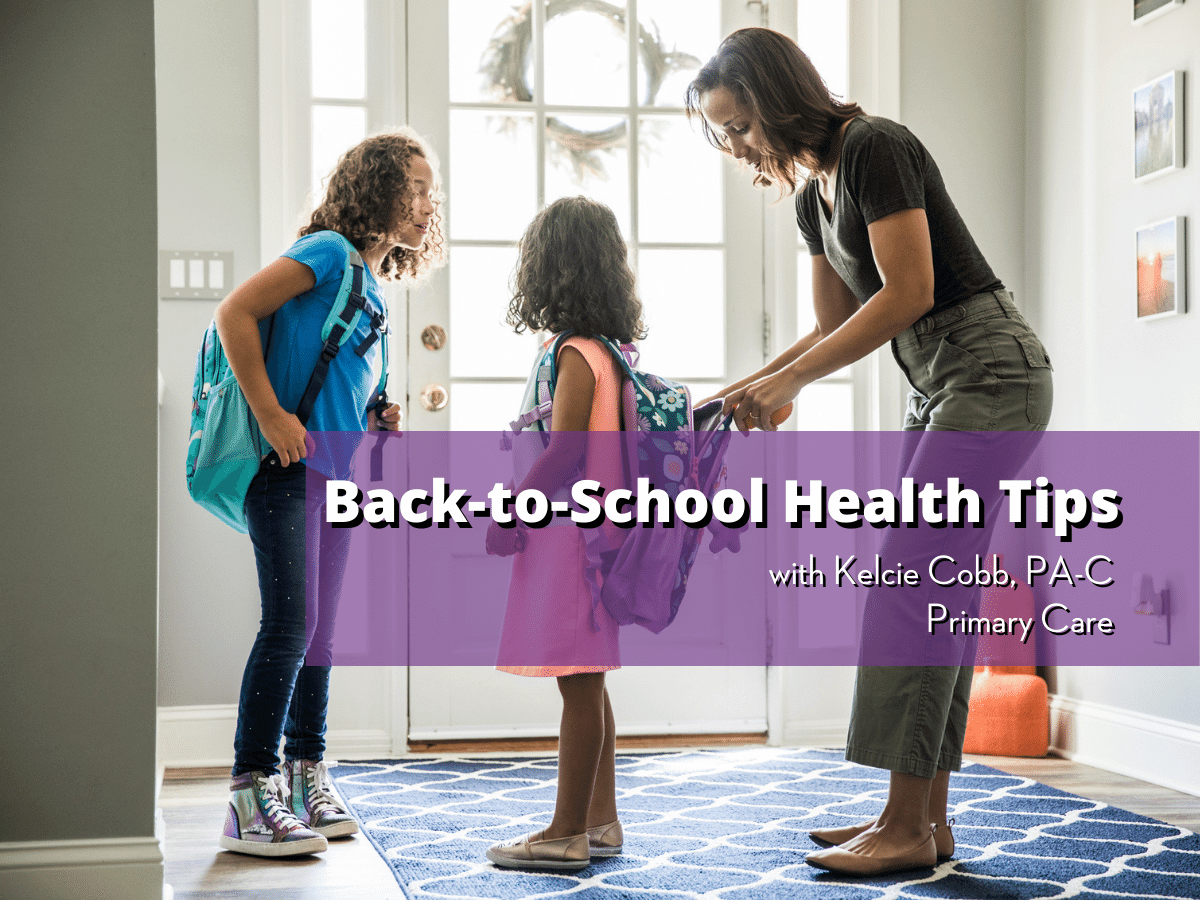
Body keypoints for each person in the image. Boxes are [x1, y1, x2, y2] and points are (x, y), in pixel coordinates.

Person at [687, 28, 1052, 876]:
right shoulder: (817, 192)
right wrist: (739, 391)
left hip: (990, 371)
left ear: (778, 100)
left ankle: (903, 826)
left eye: (741, 125)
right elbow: (828, 328)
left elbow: (911, 291)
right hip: (940, 385)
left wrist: (789, 385)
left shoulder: (876, 147)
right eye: (725, 132)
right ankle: (925, 819)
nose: (739, 147)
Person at [213, 128, 445, 857]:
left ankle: (307, 773)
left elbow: (334, 378)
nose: (425, 205)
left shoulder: (370, 282)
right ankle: (251, 796)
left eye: (430, 192)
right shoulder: (328, 252)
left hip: (337, 477)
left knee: (320, 632)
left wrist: (375, 414)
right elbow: (235, 314)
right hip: (287, 471)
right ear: (376, 186)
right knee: (289, 624)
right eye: (414, 187)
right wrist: (273, 415)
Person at [483, 197, 640, 871]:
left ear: (549, 271)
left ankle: (564, 831)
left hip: (572, 538)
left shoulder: (576, 354)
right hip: (595, 536)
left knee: (578, 682)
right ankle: (600, 821)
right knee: (589, 679)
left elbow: (565, 452)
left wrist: (512, 509)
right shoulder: (610, 350)